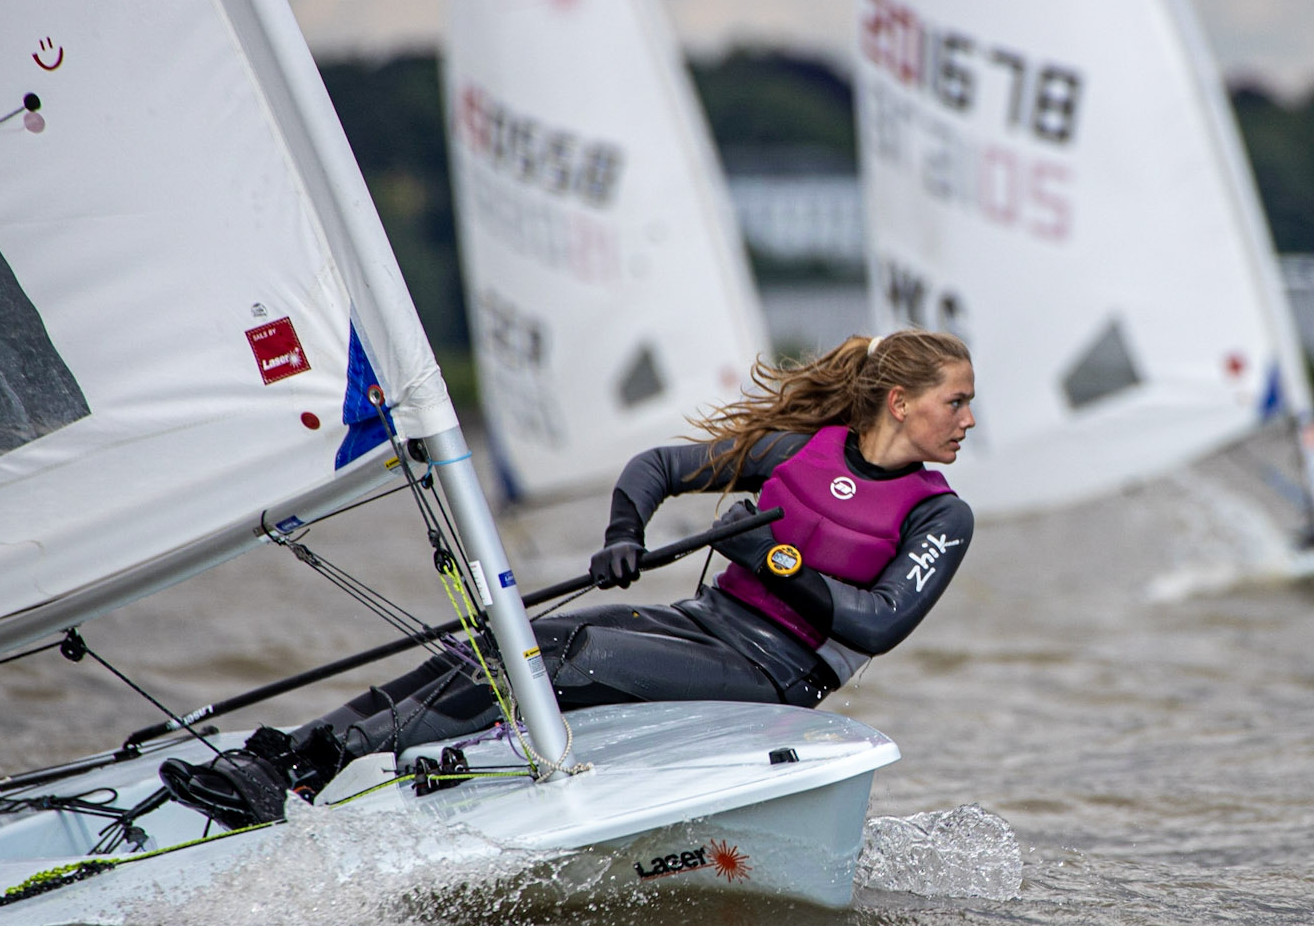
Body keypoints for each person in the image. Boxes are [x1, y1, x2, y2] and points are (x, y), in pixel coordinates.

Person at [159, 329, 978, 830]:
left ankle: (318, 765)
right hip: (705, 623)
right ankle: (289, 754)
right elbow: (656, 464)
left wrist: (777, 560)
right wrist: (626, 535)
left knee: (568, 660)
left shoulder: (940, 515)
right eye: (958, 401)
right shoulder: (797, 449)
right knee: (508, 637)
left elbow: (875, 623)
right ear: (900, 402)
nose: (969, 420)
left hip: (776, 670)